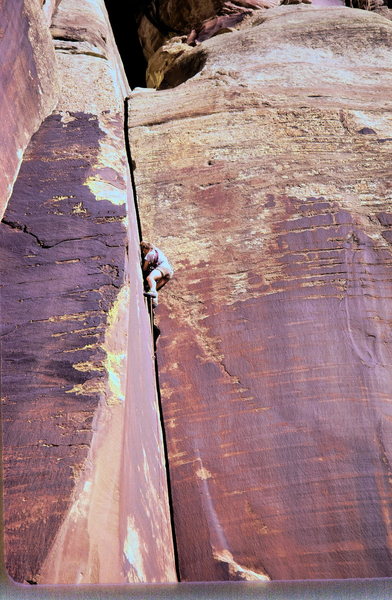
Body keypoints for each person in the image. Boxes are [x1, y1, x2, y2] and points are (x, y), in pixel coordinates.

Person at [140, 241, 174, 307]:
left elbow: (144, 268)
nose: (144, 253)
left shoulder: (149, 254)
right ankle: (154, 302)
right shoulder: (156, 250)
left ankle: (153, 292)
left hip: (163, 267)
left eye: (144, 251)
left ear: (145, 249)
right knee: (153, 287)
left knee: (150, 278)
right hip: (169, 271)